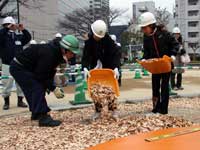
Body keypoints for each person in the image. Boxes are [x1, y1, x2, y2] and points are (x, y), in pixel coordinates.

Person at [9, 35, 80, 127]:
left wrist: (49, 86)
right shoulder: (49, 53)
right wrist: (53, 88)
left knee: (38, 88)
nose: (73, 55)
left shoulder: (57, 53)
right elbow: (41, 75)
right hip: (19, 67)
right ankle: (43, 117)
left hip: (27, 68)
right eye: (72, 53)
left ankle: (36, 113)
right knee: (36, 87)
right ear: (64, 49)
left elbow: (49, 72)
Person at [138, 12, 179, 114]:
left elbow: (175, 44)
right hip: (155, 66)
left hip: (166, 64)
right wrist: (144, 59)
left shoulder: (164, 33)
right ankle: (156, 108)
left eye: (144, 27)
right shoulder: (146, 37)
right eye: (142, 28)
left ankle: (164, 110)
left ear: (151, 25)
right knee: (155, 86)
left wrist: (173, 55)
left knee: (164, 87)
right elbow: (147, 51)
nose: (143, 30)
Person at [82, 20, 121, 120]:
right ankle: (98, 111)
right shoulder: (89, 42)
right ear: (93, 32)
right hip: (95, 69)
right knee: (96, 90)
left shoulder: (107, 40)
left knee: (110, 89)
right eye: (97, 36)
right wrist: (85, 67)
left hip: (108, 68)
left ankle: (113, 110)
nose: (98, 38)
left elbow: (116, 53)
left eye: (100, 37)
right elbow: (85, 56)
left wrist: (116, 67)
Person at [0, 16, 31, 110]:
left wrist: (23, 30)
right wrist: (6, 28)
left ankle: (20, 101)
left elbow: (28, 38)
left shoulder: (18, 37)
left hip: (19, 64)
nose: (13, 26)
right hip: (7, 63)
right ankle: (6, 102)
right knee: (6, 84)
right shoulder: (3, 37)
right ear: (6, 25)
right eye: (10, 25)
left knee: (20, 83)